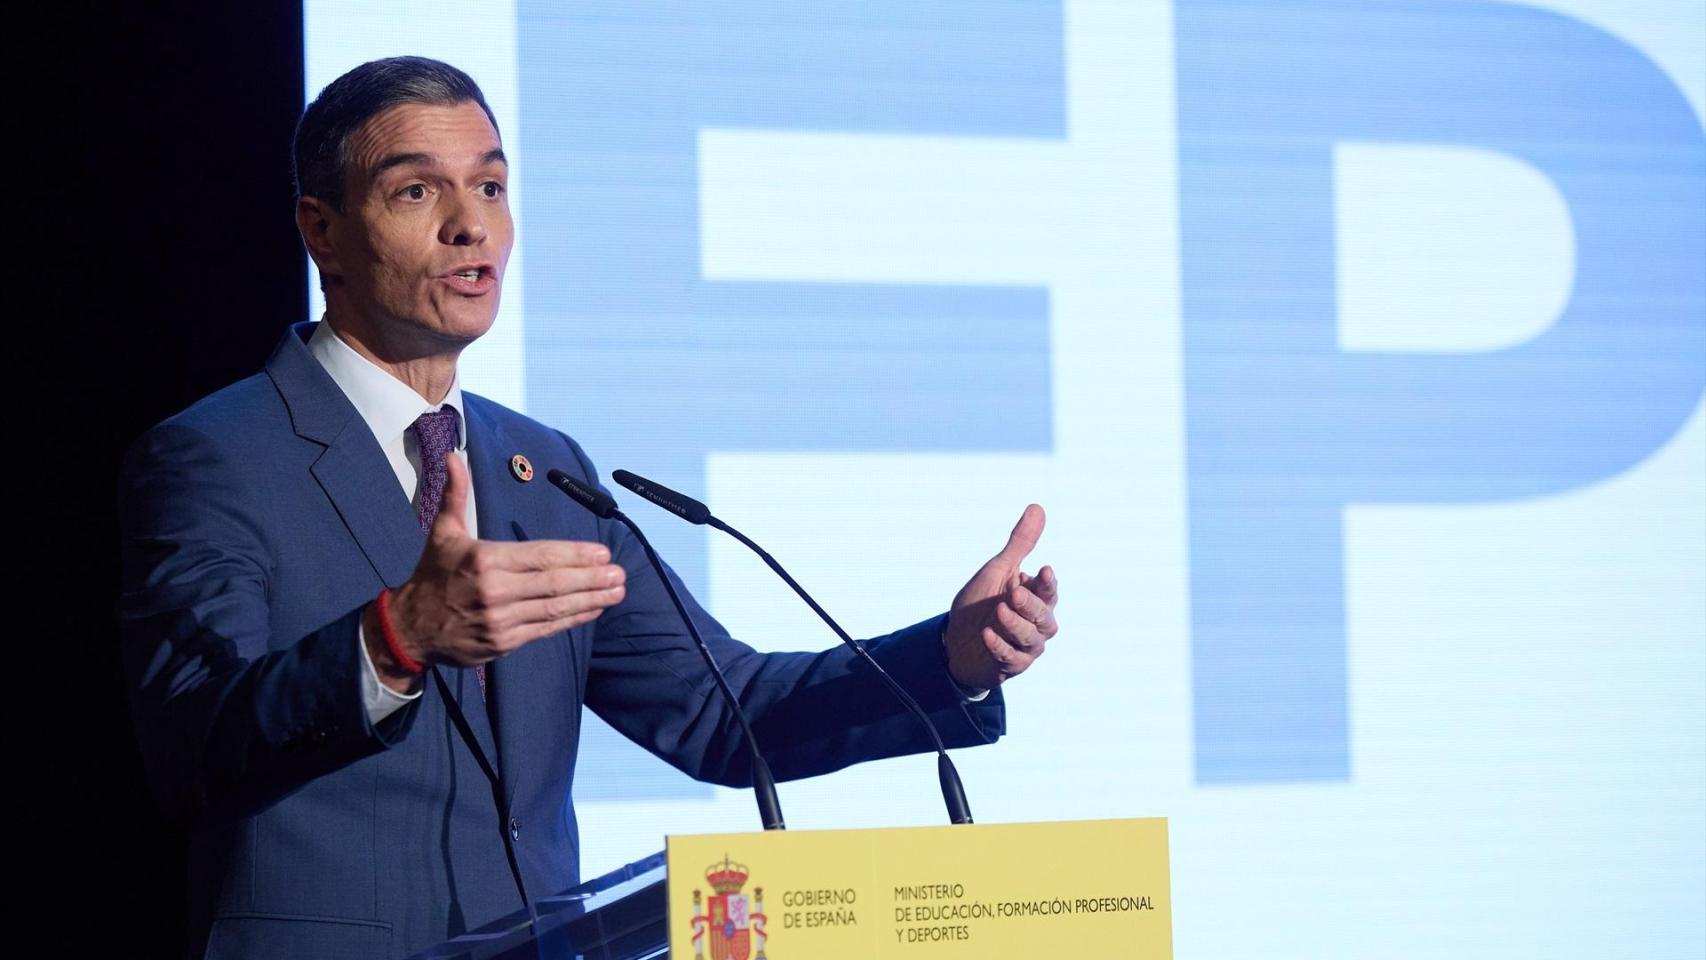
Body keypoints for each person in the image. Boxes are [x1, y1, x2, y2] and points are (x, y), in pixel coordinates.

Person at [118, 56, 1059, 960]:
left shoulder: (541, 469)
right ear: (320, 229)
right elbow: (194, 747)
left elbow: (718, 712)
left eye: (489, 187)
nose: (469, 226)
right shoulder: (220, 456)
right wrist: (394, 640)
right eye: (417, 192)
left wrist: (950, 659)